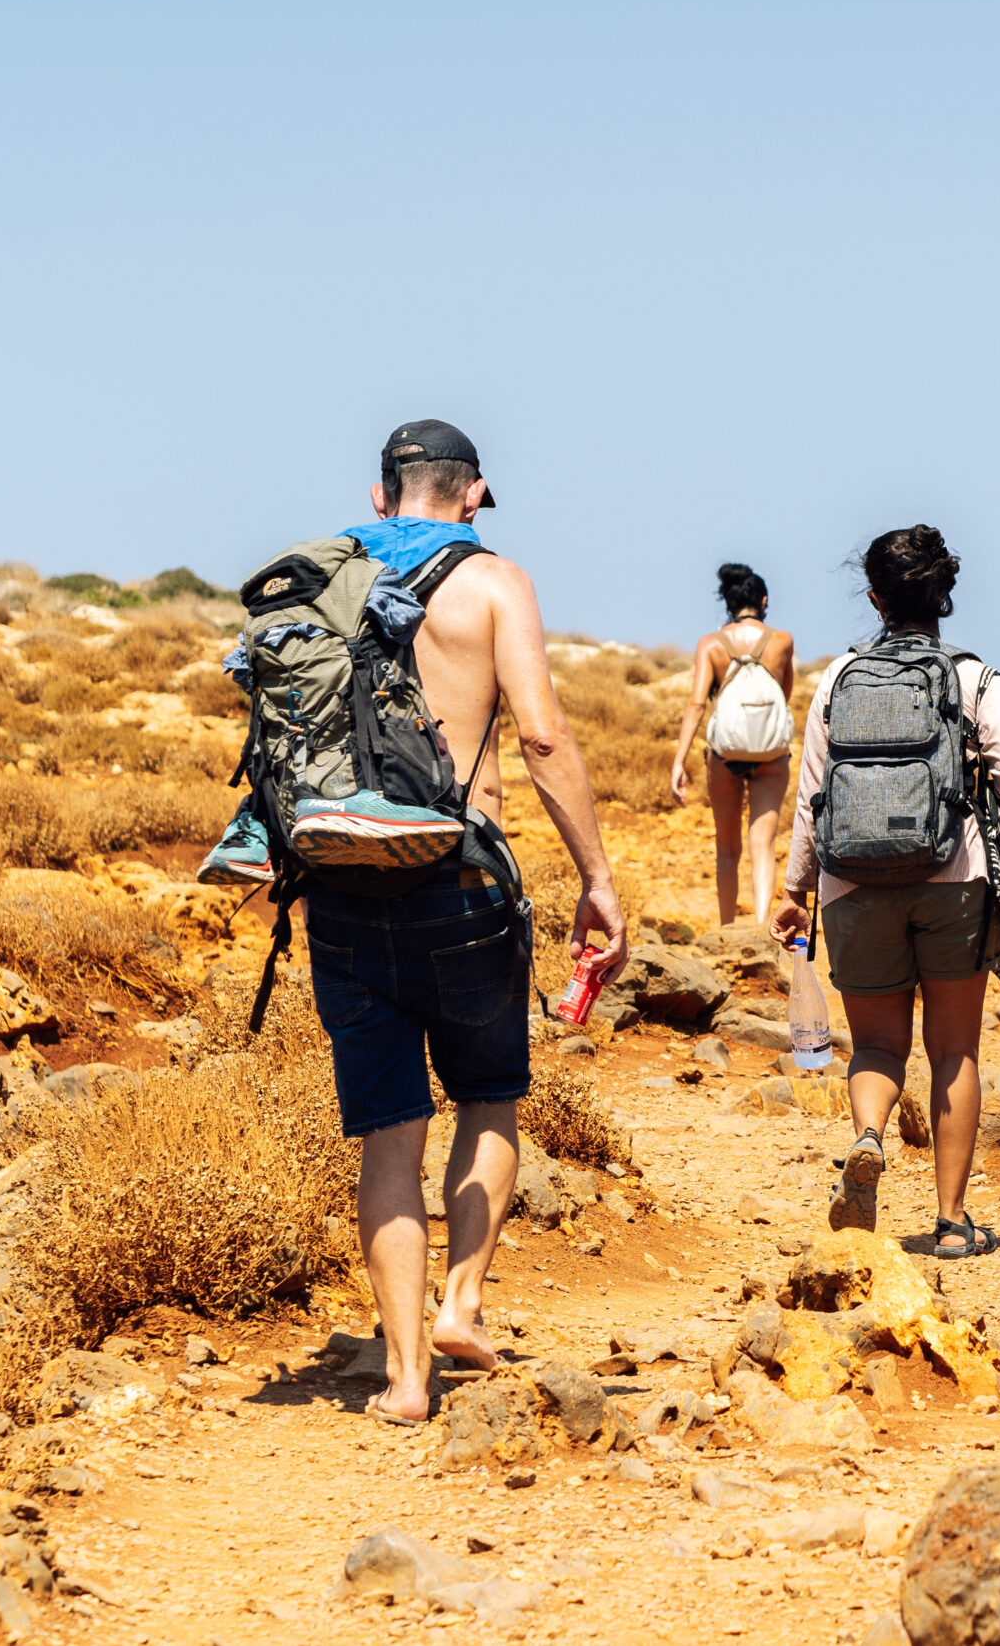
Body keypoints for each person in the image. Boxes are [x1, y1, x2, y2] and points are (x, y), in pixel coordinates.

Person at [304, 420, 628, 1425]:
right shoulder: (495, 584)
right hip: (460, 878)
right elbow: (538, 732)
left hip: (343, 884)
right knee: (489, 1096)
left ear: (378, 495)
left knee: (387, 1139)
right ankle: (463, 1301)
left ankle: (404, 1379)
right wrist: (597, 878)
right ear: (473, 495)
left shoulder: (324, 581)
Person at [771, 526, 1000, 1259]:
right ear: (944, 595)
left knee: (881, 1043)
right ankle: (953, 1221)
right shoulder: (974, 677)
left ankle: (867, 1137)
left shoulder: (837, 677)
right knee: (954, 1048)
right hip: (953, 877)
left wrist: (795, 888)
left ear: (875, 597)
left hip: (851, 881)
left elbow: (811, 795)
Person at [667, 564, 798, 927]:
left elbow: (696, 704)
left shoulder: (710, 644)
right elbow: (784, 696)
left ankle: (726, 928)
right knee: (763, 845)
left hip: (723, 756)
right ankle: (759, 929)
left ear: (728, 602)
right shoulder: (782, 640)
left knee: (727, 849)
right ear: (764, 600)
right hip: (772, 754)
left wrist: (679, 760)